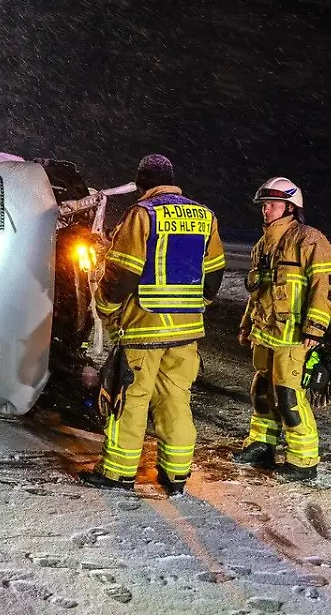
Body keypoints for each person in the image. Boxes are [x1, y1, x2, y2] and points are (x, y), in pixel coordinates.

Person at [80, 154, 225, 496]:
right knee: (176, 401)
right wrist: (195, 306)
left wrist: (104, 307)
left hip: (144, 329)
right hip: (186, 333)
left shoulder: (142, 214)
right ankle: (175, 475)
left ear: (141, 184)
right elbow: (215, 273)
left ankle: (118, 473)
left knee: (129, 400)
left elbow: (124, 272)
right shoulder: (205, 215)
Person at [233, 177, 331, 481]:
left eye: (272, 204)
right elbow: (258, 293)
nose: (265, 210)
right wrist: (246, 324)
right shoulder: (262, 245)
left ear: (291, 207)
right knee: (262, 391)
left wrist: (315, 327)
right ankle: (262, 445)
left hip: (294, 336)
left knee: (288, 396)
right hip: (266, 333)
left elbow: (328, 286)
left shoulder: (309, 240)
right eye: (264, 204)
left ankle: (304, 459)